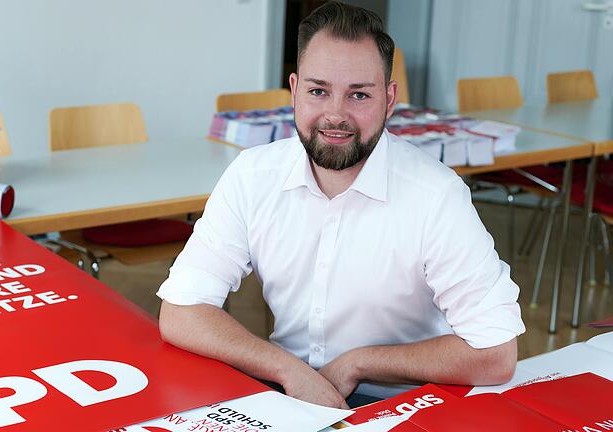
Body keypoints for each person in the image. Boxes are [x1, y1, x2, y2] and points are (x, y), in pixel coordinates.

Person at [157, 1, 524, 409]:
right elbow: (181, 310)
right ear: (294, 92)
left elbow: (495, 353)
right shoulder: (252, 175)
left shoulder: (436, 195)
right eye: (318, 91)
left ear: (389, 99)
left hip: (403, 403)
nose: (335, 115)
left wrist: (357, 364)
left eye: (359, 95)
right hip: (288, 392)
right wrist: (286, 369)